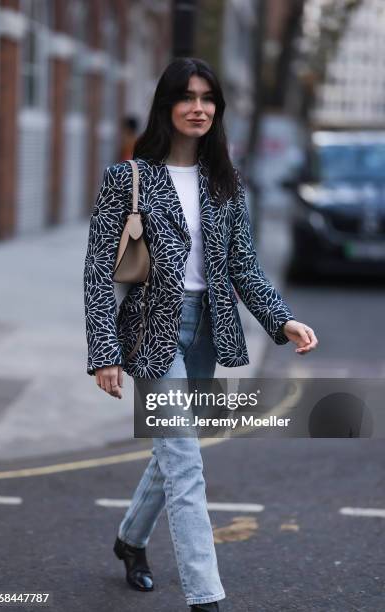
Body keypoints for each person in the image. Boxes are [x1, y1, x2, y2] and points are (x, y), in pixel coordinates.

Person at [83, 57, 318, 611]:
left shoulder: (226, 181)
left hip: (207, 331)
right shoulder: (128, 177)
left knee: (173, 453)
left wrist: (280, 318)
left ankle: (129, 541)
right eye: (186, 97)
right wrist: (103, 352)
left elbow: (244, 265)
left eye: (208, 98)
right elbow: (98, 270)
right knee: (186, 461)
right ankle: (205, 599)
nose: (198, 108)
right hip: (151, 333)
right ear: (166, 106)